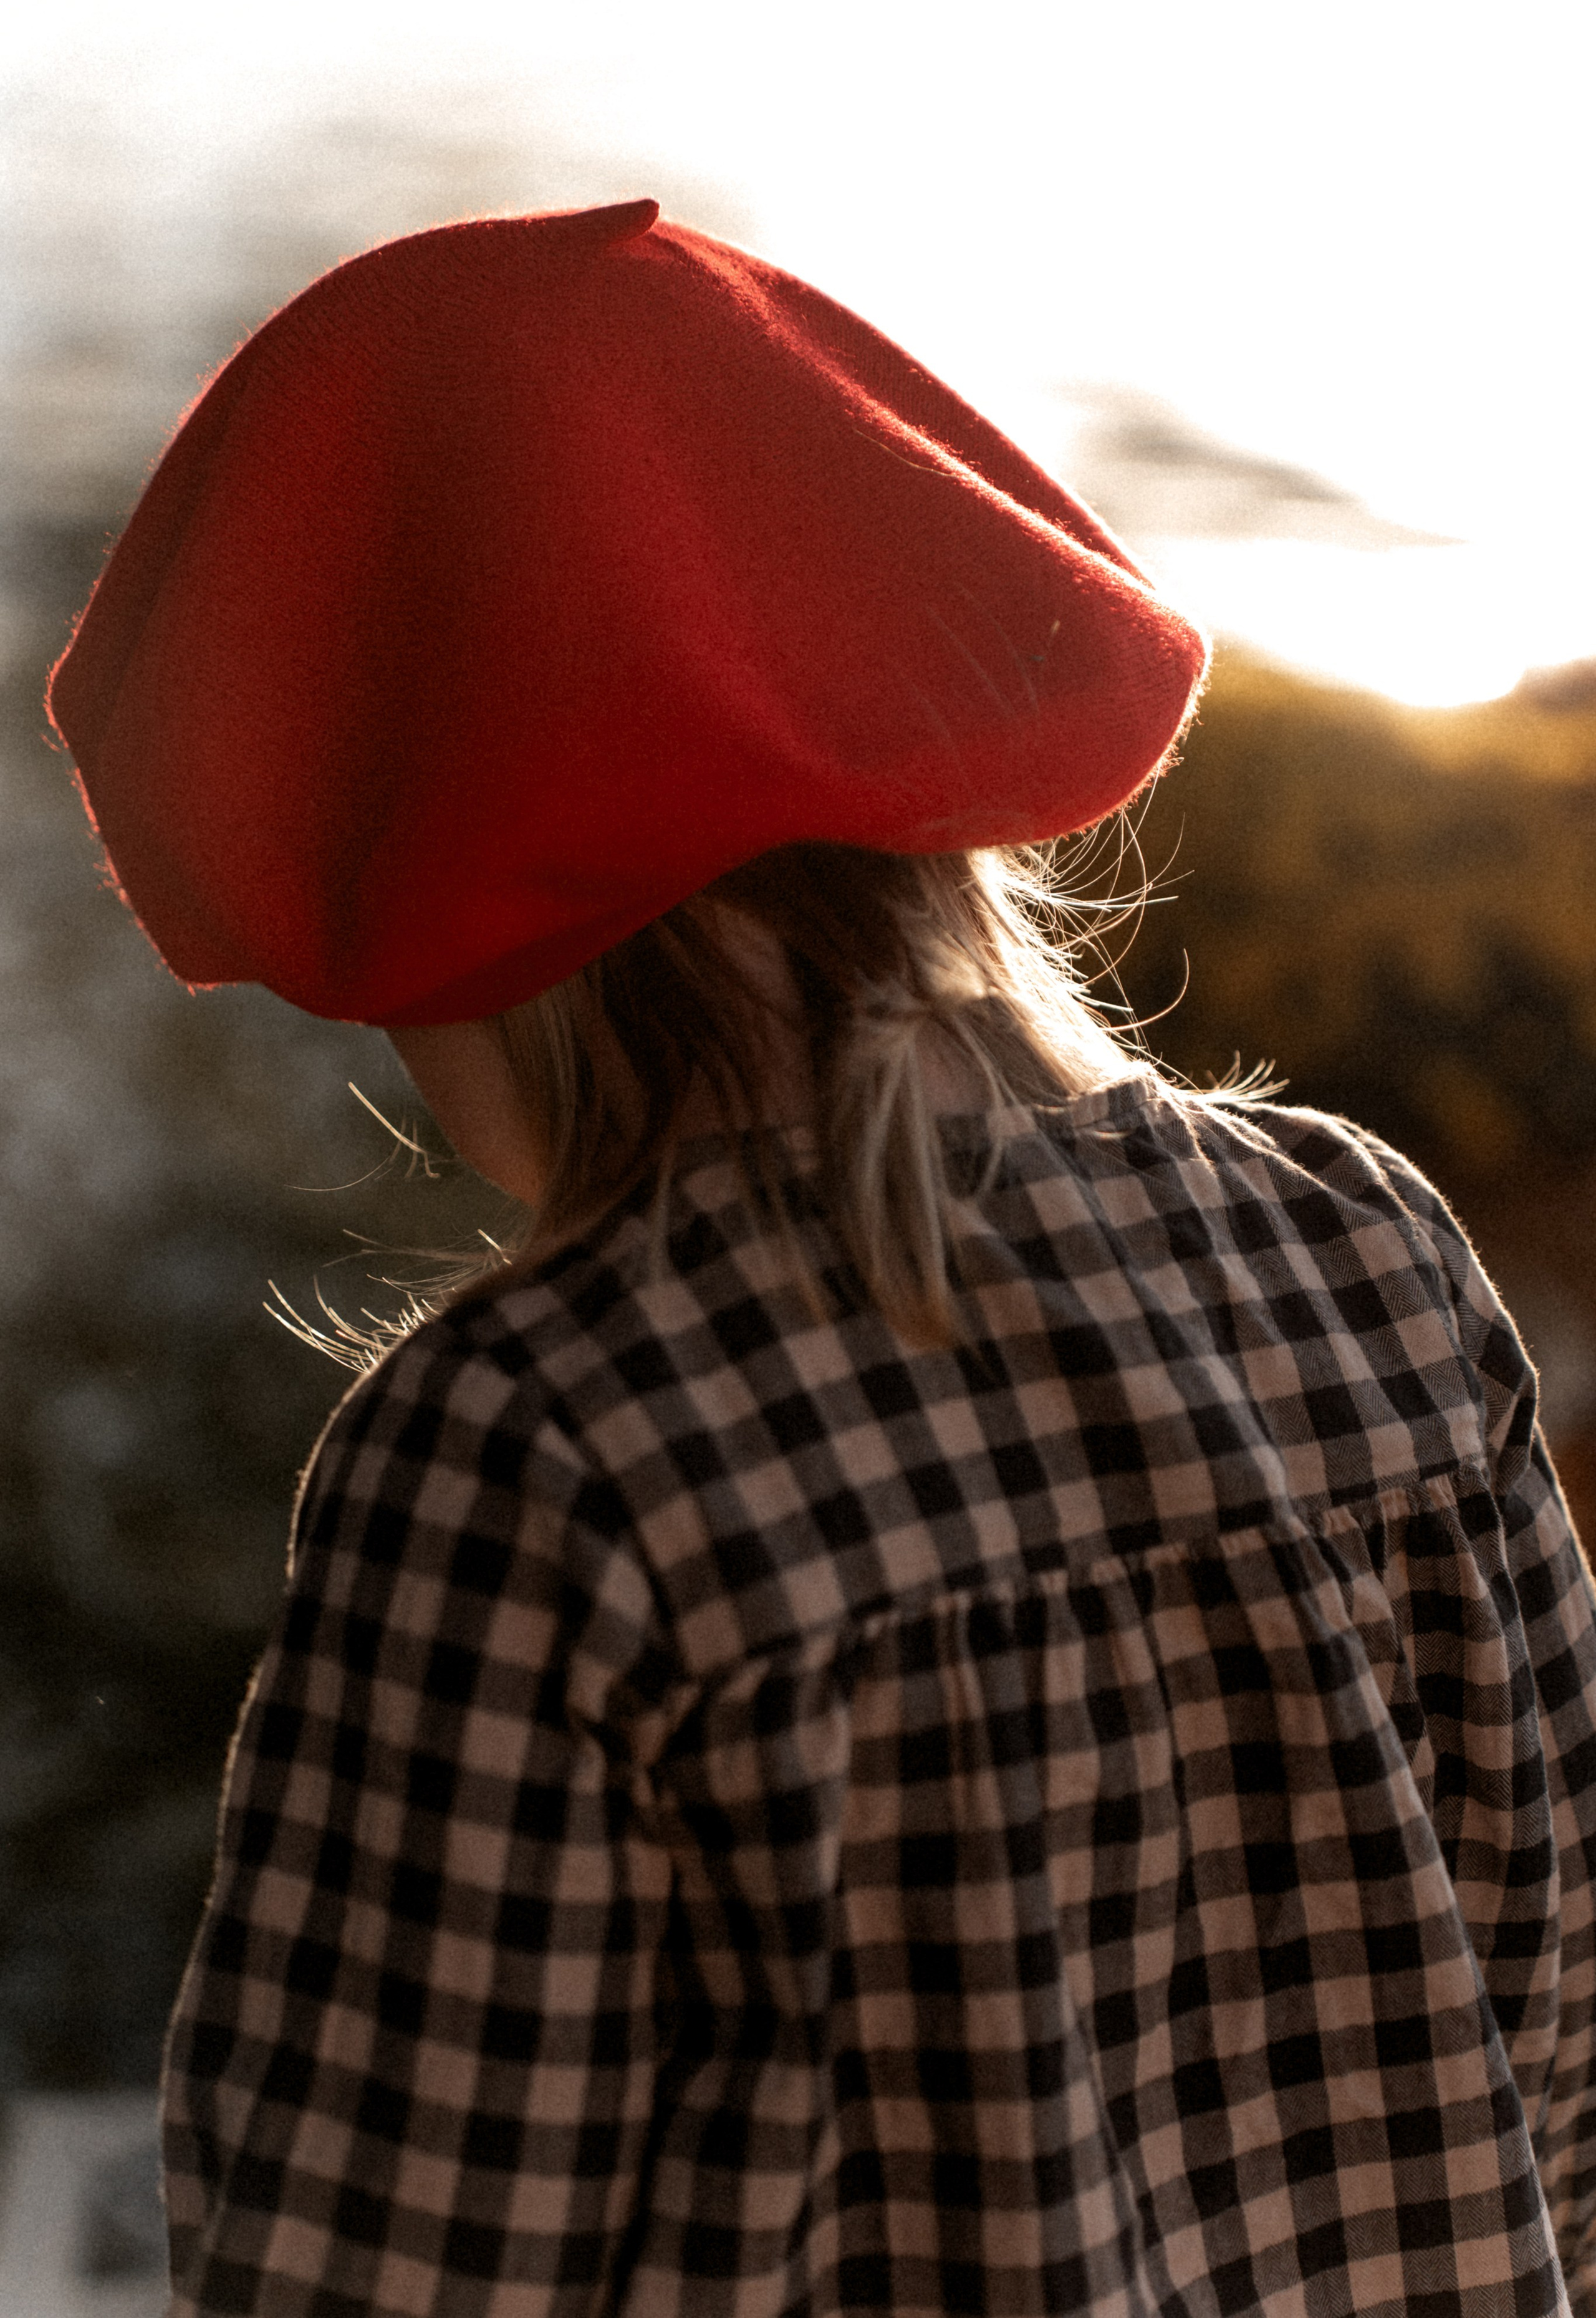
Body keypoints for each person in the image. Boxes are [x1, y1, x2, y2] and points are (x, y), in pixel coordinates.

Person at [49, 200, 1596, 2318]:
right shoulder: (1370, 1264)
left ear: (478, 935)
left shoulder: (538, 1458)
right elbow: (1565, 2069)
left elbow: (372, 2265)